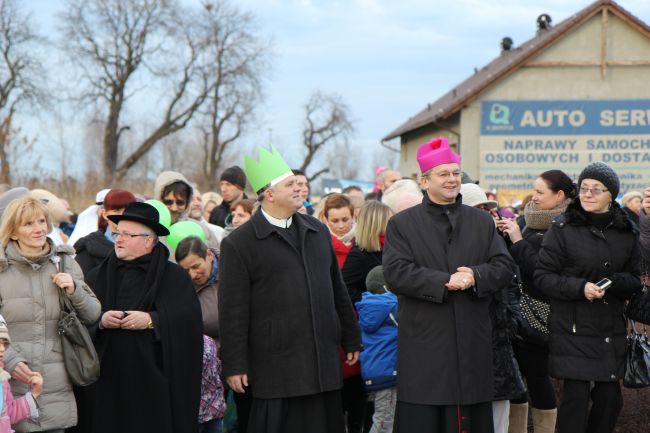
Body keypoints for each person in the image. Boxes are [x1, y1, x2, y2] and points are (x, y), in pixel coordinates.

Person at [219, 146, 362, 433]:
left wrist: (350, 337)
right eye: (290, 184)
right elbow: (233, 309)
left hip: (321, 361)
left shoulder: (317, 230)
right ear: (269, 195)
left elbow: (336, 287)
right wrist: (234, 364)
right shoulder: (240, 243)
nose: (299, 188)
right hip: (276, 365)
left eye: (299, 183)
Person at [383, 137, 514, 433]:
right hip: (426, 344)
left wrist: (476, 276)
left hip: (472, 342)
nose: (452, 180)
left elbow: (504, 265)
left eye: (456, 173)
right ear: (425, 180)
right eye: (444, 174)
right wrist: (445, 281)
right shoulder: (402, 224)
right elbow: (395, 272)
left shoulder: (481, 222)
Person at [534, 162, 641, 433]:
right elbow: (543, 277)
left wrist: (617, 283)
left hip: (609, 329)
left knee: (609, 400)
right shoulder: (562, 228)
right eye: (584, 188)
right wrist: (580, 288)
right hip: (573, 328)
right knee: (575, 401)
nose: (588, 194)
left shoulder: (627, 231)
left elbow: (634, 279)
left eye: (596, 189)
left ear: (611, 195)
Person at [85, 202, 203, 433]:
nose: (118, 239)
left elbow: (188, 322)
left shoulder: (175, 277)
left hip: (154, 385)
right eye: (118, 233)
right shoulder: (96, 275)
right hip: (107, 383)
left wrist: (152, 321)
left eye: (127, 235)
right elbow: (80, 320)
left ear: (149, 240)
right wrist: (101, 320)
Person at [0, 196, 101, 432]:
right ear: (13, 232)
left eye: (42, 221)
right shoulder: (1, 268)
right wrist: (11, 360)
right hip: (10, 379)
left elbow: (93, 314)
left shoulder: (65, 262)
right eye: (28, 224)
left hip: (57, 382)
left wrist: (74, 291)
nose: (38, 229)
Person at [496, 170, 574, 433]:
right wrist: (505, 236)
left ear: (560, 195)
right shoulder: (528, 219)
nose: (535, 198)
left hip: (543, 315)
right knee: (515, 381)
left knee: (538, 378)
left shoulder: (569, 226)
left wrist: (517, 240)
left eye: (541, 192)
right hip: (515, 312)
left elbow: (543, 272)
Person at [460, 183, 527, 433]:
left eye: (489, 209)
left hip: (500, 341)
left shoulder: (499, 243)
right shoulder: (455, 246)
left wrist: (512, 323)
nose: (487, 214)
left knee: (499, 413)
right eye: (479, 209)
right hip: (470, 342)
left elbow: (512, 288)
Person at [355, 265, 398, 433]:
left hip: (374, 373)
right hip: (389, 373)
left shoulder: (367, 307)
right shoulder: (391, 307)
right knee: (384, 421)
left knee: (384, 416)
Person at [73, 189, 136, 276]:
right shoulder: (90, 247)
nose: (123, 215)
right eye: (117, 210)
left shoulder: (146, 244)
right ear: (105, 214)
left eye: (127, 210)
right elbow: (81, 284)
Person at [342, 201, 393, 304]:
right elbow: (344, 289)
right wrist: (370, 300)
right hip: (373, 313)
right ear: (376, 224)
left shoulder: (388, 246)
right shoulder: (358, 255)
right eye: (389, 221)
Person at [154, 171, 220, 249]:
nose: (174, 208)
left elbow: (219, 257)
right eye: (168, 202)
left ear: (187, 203)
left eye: (180, 202)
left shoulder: (202, 230)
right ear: (159, 200)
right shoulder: (147, 231)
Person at [0, 314, 43, 433]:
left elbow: (9, 414)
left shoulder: (3, 380)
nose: (2, 349)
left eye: (4, 343)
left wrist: (34, 394)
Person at [175, 236, 220, 339]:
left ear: (209, 255)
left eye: (196, 267)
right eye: (186, 271)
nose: (192, 275)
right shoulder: (181, 286)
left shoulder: (235, 267)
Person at [322, 194, 356, 268]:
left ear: (353, 217)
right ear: (326, 220)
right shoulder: (320, 244)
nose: (341, 226)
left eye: (345, 220)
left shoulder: (365, 240)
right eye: (335, 221)